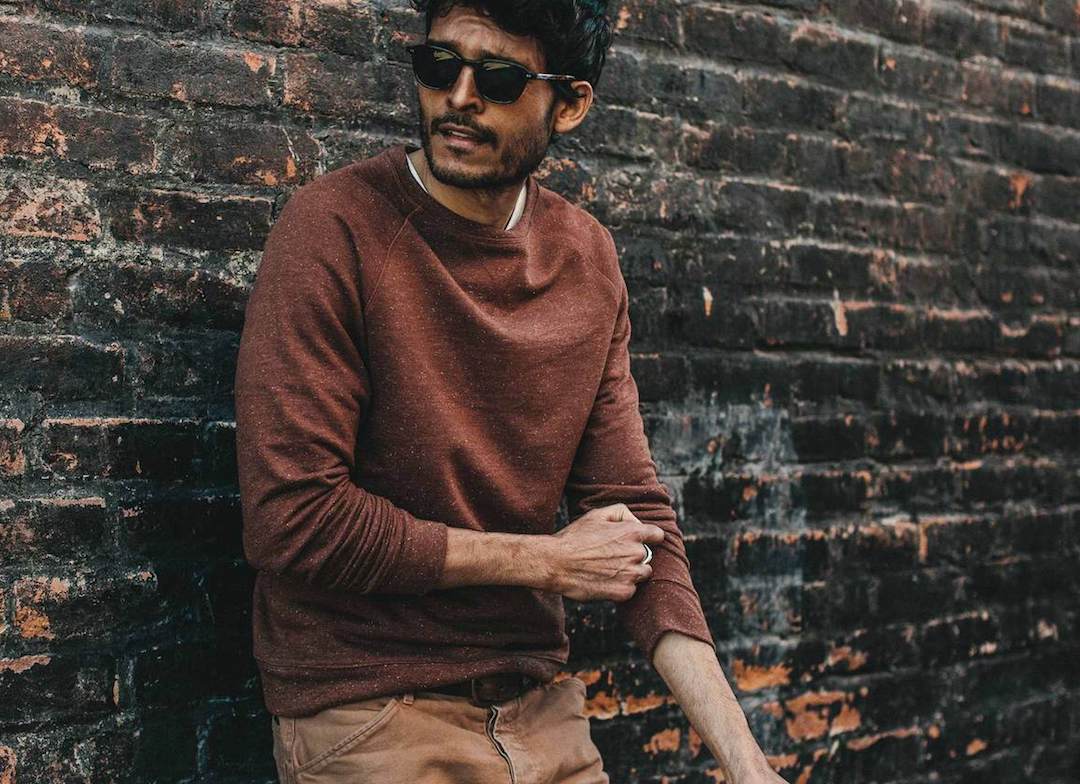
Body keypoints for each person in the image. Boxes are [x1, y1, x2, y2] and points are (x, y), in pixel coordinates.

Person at [234, 1, 788, 781]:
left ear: (570, 104)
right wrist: (548, 562)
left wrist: (746, 762)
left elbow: (635, 520)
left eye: (497, 78)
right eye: (439, 66)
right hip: (372, 713)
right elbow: (294, 519)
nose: (459, 97)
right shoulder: (335, 228)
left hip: (540, 714)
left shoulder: (585, 258)